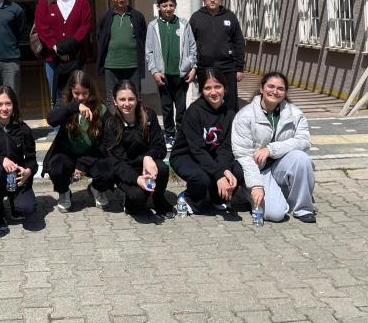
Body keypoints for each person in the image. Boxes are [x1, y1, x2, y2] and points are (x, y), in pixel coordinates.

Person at [232, 71, 315, 223]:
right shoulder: (245, 115)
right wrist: (256, 186)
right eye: (271, 86)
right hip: (258, 170)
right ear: (262, 88)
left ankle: (302, 208)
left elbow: (304, 141)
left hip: (279, 165)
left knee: (302, 159)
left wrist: (271, 149)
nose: (275, 91)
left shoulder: (295, 113)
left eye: (280, 88)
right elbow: (243, 156)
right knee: (275, 214)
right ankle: (245, 191)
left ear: (285, 92)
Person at [169, 68, 243, 215]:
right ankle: (190, 197)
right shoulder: (194, 112)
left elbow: (225, 148)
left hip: (211, 155)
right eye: (207, 88)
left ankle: (217, 197)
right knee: (202, 178)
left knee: (238, 171)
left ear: (225, 88)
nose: (213, 92)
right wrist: (218, 174)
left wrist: (225, 170)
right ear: (202, 91)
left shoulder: (230, 114)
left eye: (217, 87)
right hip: (186, 155)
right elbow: (196, 149)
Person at [43, 70, 114, 213]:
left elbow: (107, 141)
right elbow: (51, 120)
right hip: (67, 153)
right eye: (76, 93)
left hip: (91, 154)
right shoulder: (64, 104)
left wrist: (82, 165)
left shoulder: (101, 108)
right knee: (56, 167)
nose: (81, 97)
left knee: (108, 170)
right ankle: (64, 191)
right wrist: (74, 107)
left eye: (84, 93)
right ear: (71, 91)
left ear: (90, 91)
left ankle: (96, 188)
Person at [104, 80, 172, 218]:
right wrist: (137, 179)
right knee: (138, 197)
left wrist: (148, 157)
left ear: (137, 99)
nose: (127, 103)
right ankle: (131, 202)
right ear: (115, 101)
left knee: (163, 169)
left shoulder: (149, 115)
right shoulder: (111, 123)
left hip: (145, 164)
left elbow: (160, 146)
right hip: (125, 169)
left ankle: (158, 199)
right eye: (122, 99)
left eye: (131, 99)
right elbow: (116, 163)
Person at [145, 0, 197, 149]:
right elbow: (149, 51)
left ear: (175, 6)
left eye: (171, 5)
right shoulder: (153, 26)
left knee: (181, 107)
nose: (168, 8)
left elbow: (192, 47)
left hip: (181, 74)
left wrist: (193, 67)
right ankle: (169, 134)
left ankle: (181, 134)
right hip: (163, 75)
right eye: (164, 5)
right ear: (159, 7)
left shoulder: (184, 24)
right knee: (167, 107)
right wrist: (154, 71)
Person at [0, 86, 37, 230]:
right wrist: (1, 160)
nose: (4, 108)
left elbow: (32, 159)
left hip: (17, 180)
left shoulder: (24, 130)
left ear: (14, 105)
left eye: (8, 104)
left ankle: (14, 202)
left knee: (27, 208)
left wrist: (29, 171)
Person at [34, 0, 92, 106]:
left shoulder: (82, 3)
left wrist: (68, 47)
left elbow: (85, 26)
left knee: (79, 95)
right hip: (53, 59)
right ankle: (58, 120)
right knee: (57, 97)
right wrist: (57, 48)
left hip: (77, 57)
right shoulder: (44, 3)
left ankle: (78, 120)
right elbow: (42, 27)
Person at [188, 0, 245, 111]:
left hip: (228, 66)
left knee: (230, 101)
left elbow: (239, 42)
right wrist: (192, 67)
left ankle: (230, 123)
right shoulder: (196, 17)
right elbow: (190, 44)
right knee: (208, 99)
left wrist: (240, 67)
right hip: (204, 67)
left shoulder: (230, 16)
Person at [96, 0, 147, 104]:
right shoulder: (105, 17)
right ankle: (113, 118)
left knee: (135, 97)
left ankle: (135, 117)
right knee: (112, 99)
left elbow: (143, 37)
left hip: (133, 65)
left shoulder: (137, 16)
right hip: (111, 65)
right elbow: (100, 38)